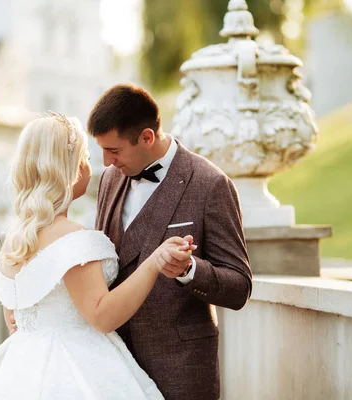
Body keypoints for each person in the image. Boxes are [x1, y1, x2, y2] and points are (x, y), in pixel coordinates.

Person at [0, 112, 195, 399]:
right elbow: (102, 316)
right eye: (85, 157)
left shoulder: (17, 239)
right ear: (71, 167)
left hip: (21, 367)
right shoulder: (72, 238)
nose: (92, 165)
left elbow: (15, 317)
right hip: (76, 366)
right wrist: (154, 262)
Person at [89, 83, 253, 400]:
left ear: (147, 137)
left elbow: (239, 286)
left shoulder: (210, 184)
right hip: (115, 367)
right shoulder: (111, 179)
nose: (107, 162)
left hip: (180, 370)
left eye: (114, 150)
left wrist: (190, 269)